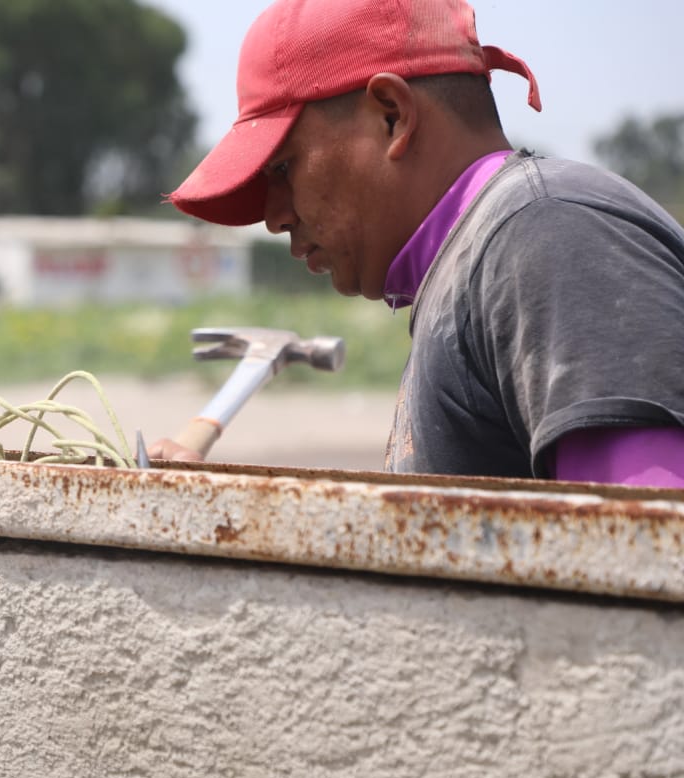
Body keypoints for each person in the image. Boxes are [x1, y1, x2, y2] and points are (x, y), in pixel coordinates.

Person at [152, 0, 684, 488]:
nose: (273, 216)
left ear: (392, 114)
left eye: (284, 168)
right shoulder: (475, 259)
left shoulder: (549, 236)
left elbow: (651, 560)